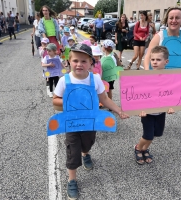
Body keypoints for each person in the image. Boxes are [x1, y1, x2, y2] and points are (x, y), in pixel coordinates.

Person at [53, 43, 128, 200]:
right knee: (72, 150)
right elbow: (55, 101)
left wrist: (119, 110)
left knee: (88, 143)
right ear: (68, 61)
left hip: (90, 122)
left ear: (91, 64)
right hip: (72, 123)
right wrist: (71, 100)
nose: (79, 64)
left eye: (83, 61)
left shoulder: (95, 79)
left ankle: (85, 153)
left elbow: (104, 98)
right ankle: (72, 179)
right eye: (75, 61)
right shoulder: (64, 80)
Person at [134, 46, 175, 165]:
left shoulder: (170, 78)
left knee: (156, 134)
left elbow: (171, 94)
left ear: (166, 62)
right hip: (148, 113)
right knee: (147, 135)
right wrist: (140, 109)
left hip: (161, 113)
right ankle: (138, 148)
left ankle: (145, 149)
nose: (155, 62)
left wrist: (171, 106)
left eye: (158, 60)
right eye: (152, 60)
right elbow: (139, 94)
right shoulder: (146, 77)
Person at [144, 7, 181, 81]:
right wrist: (147, 72)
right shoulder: (159, 36)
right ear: (167, 20)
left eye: (177, 18)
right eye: (171, 18)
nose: (174, 20)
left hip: (179, 79)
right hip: (160, 78)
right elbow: (148, 56)